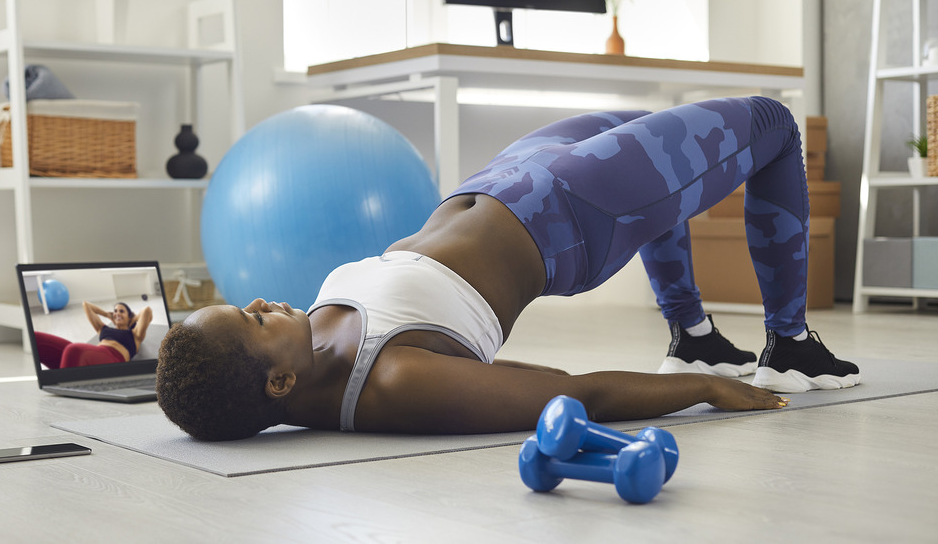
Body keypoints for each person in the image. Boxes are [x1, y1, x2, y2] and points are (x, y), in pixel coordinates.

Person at [157, 96, 860, 441]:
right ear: (278, 382)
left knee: (666, 129)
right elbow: (573, 392)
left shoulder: (303, 351)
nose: (257, 300)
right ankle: (790, 341)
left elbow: (205, 373)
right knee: (771, 125)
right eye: (251, 319)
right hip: (579, 211)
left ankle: (693, 331)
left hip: (508, 176)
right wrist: (705, 391)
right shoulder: (395, 382)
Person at [36, 301, 153, 368]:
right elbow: (86, 305)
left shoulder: (135, 334)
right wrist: (106, 314)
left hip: (114, 359)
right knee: (36, 338)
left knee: (73, 349)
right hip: (93, 355)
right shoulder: (103, 328)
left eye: (121, 311)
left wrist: (133, 319)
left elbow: (147, 310)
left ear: (130, 316)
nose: (117, 313)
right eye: (115, 311)